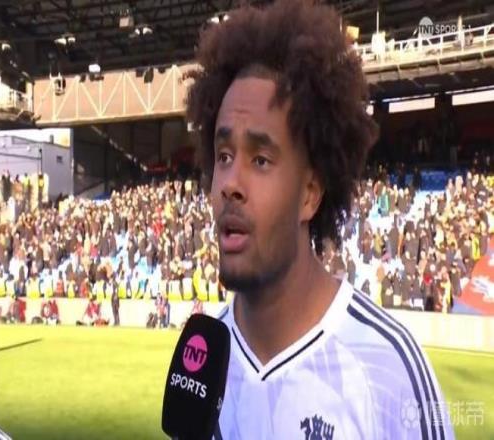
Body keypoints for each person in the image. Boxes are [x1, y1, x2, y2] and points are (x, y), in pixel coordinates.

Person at [185, 1, 453, 438]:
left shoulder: (389, 369)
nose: (230, 183)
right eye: (224, 156)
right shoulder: (200, 358)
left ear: (310, 194)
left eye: (260, 159)